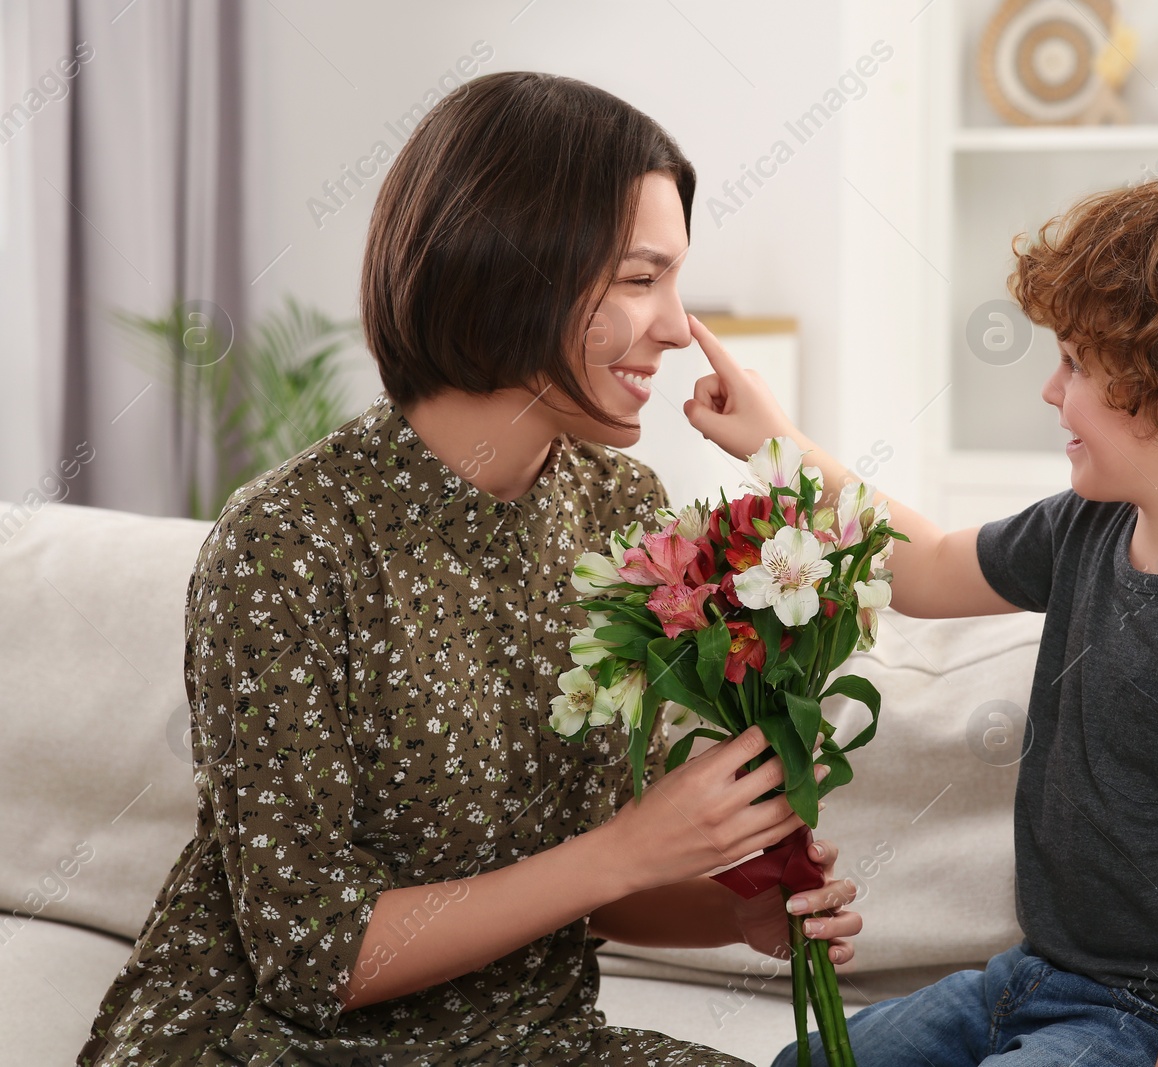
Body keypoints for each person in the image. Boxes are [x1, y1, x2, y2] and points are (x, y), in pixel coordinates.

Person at [77, 71, 860, 1067]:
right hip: (273, 1039)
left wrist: (735, 911)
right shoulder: (288, 542)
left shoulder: (626, 513)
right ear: (514, 268)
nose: (674, 324)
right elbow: (314, 955)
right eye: (637, 278)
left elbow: (578, 873)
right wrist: (629, 846)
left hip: (529, 1035)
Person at [682, 175, 1158, 1067]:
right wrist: (777, 442)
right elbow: (923, 567)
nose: (1051, 389)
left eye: (1078, 363)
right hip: (1043, 978)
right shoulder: (1090, 525)